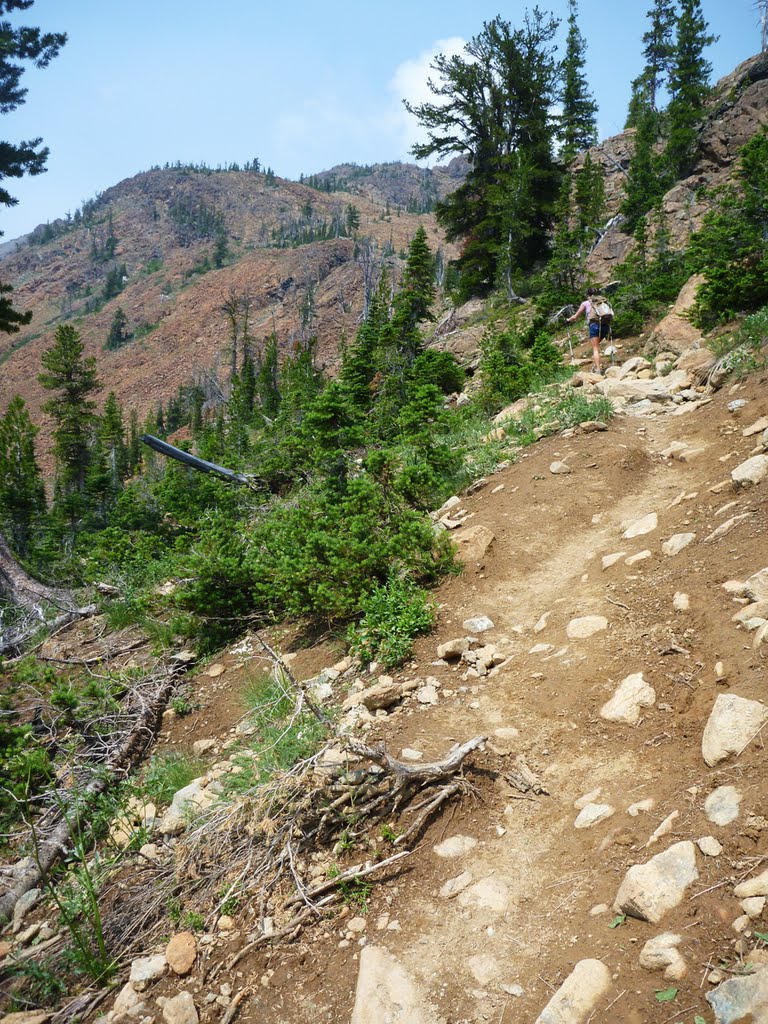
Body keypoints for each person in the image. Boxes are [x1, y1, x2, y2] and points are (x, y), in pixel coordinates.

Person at [567, 287, 610, 375]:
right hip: (605, 326)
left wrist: (568, 320)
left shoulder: (586, 303)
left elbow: (575, 316)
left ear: (587, 294)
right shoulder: (604, 301)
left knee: (595, 348)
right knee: (597, 347)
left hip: (594, 325)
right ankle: (595, 366)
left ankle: (598, 370)